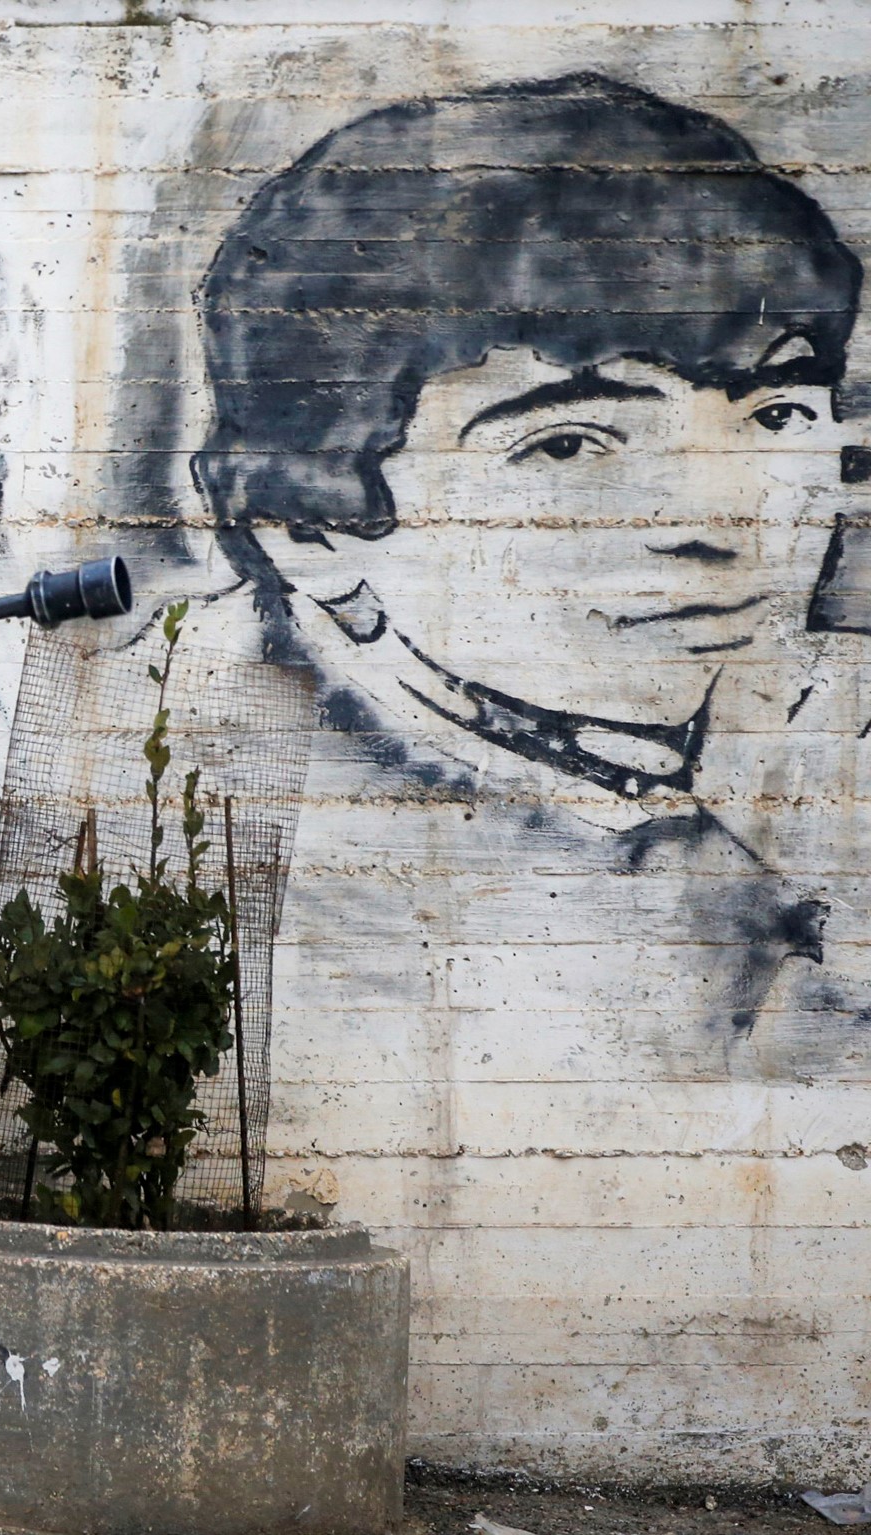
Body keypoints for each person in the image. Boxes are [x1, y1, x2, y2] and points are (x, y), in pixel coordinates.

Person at [190, 72, 866, 1058]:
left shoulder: (803, 751)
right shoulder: (231, 818)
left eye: (774, 417)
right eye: (571, 445)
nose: (723, 521)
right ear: (312, 531)